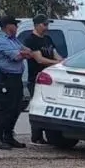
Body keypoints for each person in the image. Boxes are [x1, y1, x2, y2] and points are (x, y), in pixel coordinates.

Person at [0, 15, 33, 150]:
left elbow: (28, 51)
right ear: (8, 26)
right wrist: (23, 54)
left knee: (17, 107)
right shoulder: (0, 41)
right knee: (5, 108)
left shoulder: (15, 40)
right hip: (6, 78)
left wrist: (24, 53)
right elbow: (17, 56)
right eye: (15, 24)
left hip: (16, 78)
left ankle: (8, 136)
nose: (16, 27)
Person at [23, 14, 64, 144]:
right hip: (36, 78)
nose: (47, 27)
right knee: (37, 105)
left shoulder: (48, 39)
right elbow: (39, 59)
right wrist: (55, 62)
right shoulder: (30, 40)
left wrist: (62, 61)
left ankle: (50, 134)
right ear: (36, 25)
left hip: (51, 79)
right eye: (44, 24)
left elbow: (56, 54)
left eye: (47, 24)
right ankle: (36, 136)